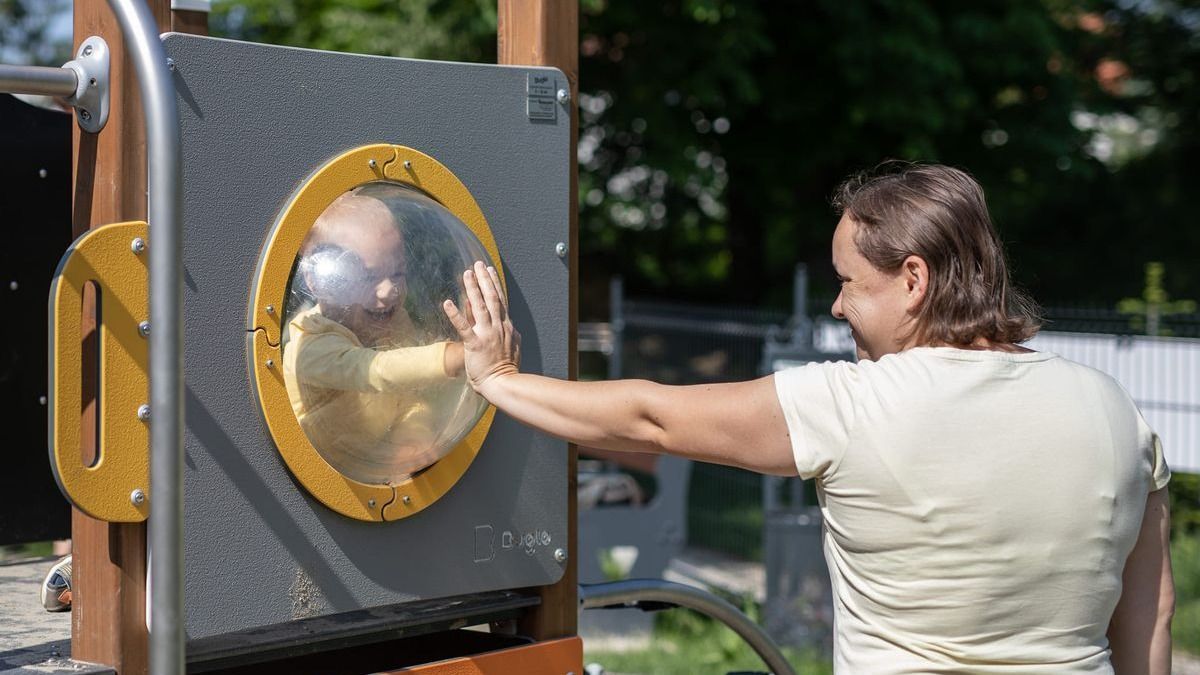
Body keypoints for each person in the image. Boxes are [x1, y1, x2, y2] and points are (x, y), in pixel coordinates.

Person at [443, 163, 1175, 673]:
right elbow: (1151, 620)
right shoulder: (1116, 412)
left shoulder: (856, 404)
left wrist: (499, 378)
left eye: (849, 283)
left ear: (913, 280)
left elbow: (650, 418)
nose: (836, 306)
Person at [283, 189, 467, 485]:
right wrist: (451, 356)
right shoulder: (310, 346)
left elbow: (410, 399)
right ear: (322, 282)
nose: (389, 291)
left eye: (398, 273)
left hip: (368, 470)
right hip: (313, 483)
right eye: (369, 277)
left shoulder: (394, 322)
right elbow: (374, 370)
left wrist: (412, 436)